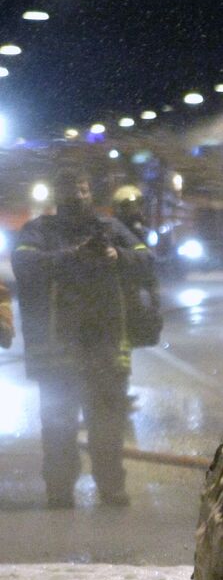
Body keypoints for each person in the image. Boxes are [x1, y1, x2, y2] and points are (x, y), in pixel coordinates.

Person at [12, 167, 153, 508]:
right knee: (59, 425)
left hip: (106, 346)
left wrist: (117, 256)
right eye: (70, 189)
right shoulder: (39, 230)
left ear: (91, 192)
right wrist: (73, 257)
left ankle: (111, 488)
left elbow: (147, 259)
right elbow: (24, 264)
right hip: (57, 349)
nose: (77, 196)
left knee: (107, 425)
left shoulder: (111, 229)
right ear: (57, 196)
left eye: (83, 188)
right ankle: (59, 491)